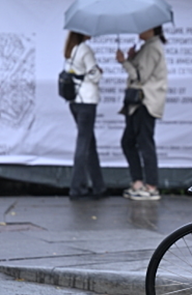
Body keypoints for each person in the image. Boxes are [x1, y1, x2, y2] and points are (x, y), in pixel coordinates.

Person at [116, 26, 168, 201]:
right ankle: (138, 183)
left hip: (145, 102)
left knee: (144, 142)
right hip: (138, 103)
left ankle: (151, 186)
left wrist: (124, 61)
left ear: (152, 29)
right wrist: (131, 58)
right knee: (129, 141)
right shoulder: (148, 46)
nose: (139, 30)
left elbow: (139, 76)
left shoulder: (152, 47)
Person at [64, 31, 106, 201]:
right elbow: (94, 75)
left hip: (75, 100)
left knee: (89, 143)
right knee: (83, 143)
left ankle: (98, 185)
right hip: (87, 100)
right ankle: (77, 187)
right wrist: (99, 71)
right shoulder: (85, 50)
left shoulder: (71, 50)